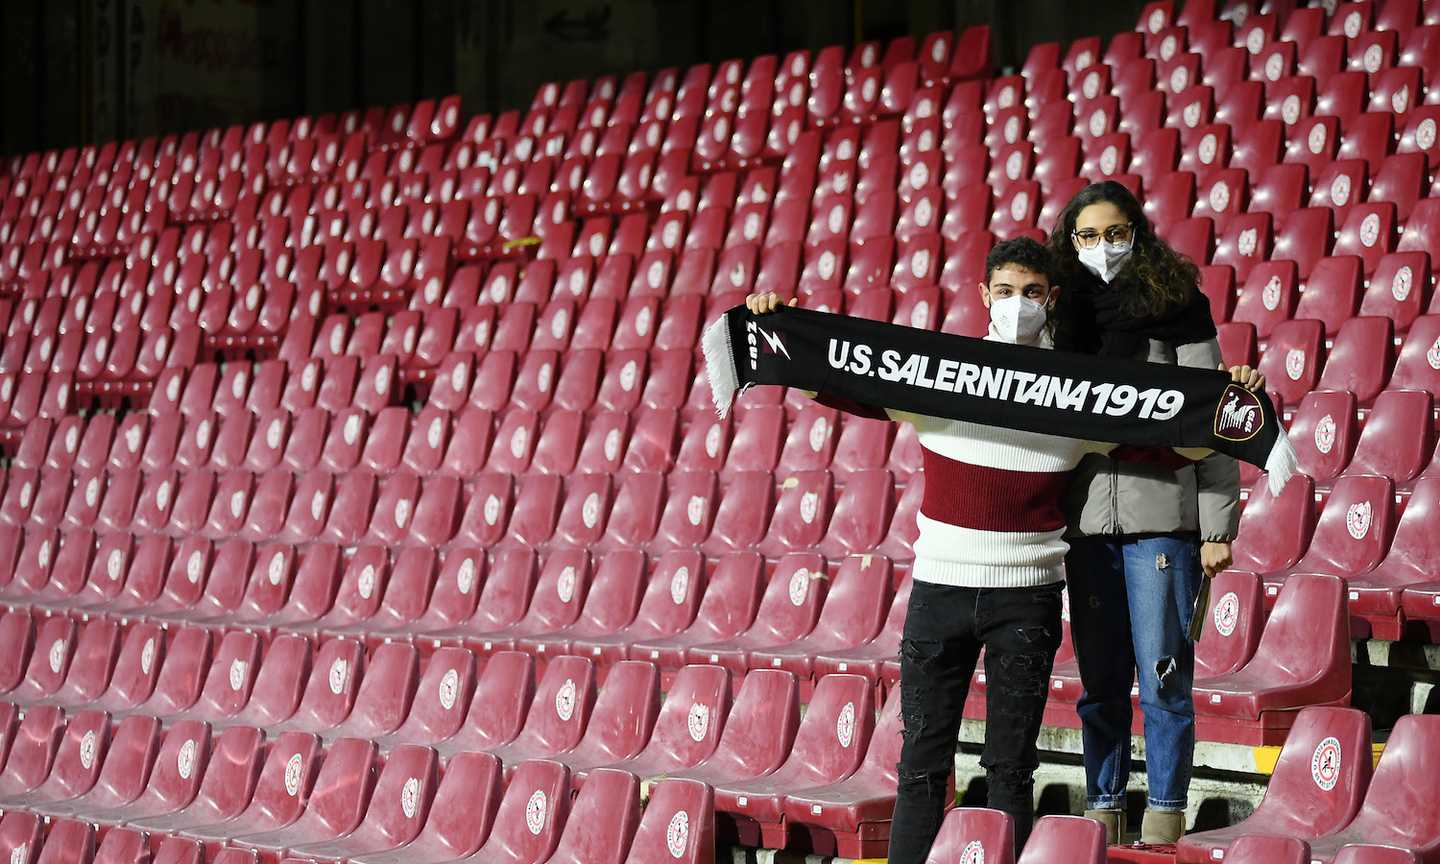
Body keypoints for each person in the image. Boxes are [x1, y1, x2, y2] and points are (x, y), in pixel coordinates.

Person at [743, 237, 1262, 860]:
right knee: (921, 765)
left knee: (1011, 767)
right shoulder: (936, 371)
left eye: (1034, 293)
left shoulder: (1080, 392)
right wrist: (778, 327)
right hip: (939, 594)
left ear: (1053, 299)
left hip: (1027, 601)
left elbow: (1171, 442)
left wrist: (1228, 396)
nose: (1020, 305)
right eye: (1008, 292)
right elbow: (835, 378)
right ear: (986, 295)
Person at [1048, 180, 1240, 844]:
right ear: (1071, 244)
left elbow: (1216, 417)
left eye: (1115, 231)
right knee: (1100, 683)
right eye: (1088, 236)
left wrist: (1218, 525)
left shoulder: (1179, 305)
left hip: (1165, 521)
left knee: (1163, 679)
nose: (1103, 247)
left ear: (1138, 231)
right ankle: (1103, 811)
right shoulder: (1062, 315)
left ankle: (1163, 820)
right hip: (1088, 530)